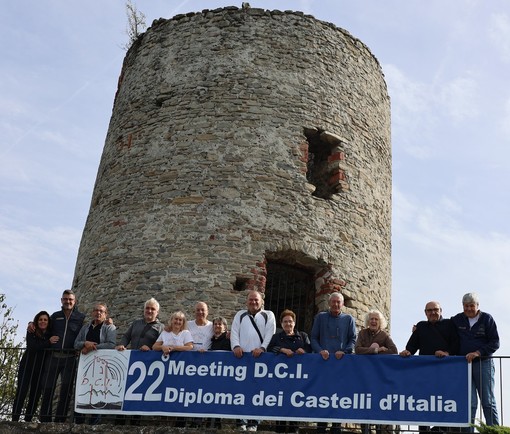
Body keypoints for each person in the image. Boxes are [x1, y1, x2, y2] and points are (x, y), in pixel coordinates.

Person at [399, 301, 459, 433]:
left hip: (445, 372)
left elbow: (456, 343)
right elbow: (412, 346)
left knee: (445, 403)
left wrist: (447, 353)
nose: (433, 312)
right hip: (425, 373)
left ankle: (440, 430)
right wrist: (407, 352)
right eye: (429, 310)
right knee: (424, 403)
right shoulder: (420, 326)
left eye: (435, 310)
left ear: (441, 310)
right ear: (425, 313)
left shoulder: (449, 324)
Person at [451, 293, 499, 429]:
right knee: (469, 403)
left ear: (477, 306)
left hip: (483, 363)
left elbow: (495, 342)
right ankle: (468, 431)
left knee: (488, 401)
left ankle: (494, 430)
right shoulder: (457, 320)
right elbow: (443, 328)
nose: (469, 309)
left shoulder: (487, 319)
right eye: (466, 306)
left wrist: (478, 353)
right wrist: (419, 328)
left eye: (472, 305)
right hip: (464, 365)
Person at [231, 290, 276, 432]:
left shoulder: (268, 315)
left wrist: (262, 348)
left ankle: (254, 422)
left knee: (258, 392)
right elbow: (234, 331)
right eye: (251, 300)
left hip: (261, 359)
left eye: (256, 300)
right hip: (243, 359)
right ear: (247, 301)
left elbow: (270, 333)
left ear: (261, 301)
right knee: (241, 391)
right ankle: (241, 422)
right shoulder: (240, 314)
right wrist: (236, 346)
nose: (253, 302)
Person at [311, 292, 356, 434]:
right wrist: (320, 351)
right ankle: (321, 427)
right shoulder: (320, 317)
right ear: (329, 303)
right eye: (334, 302)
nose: (336, 304)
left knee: (339, 396)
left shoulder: (348, 319)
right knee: (322, 396)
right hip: (323, 364)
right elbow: (313, 338)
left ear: (342, 304)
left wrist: (345, 351)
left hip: (340, 365)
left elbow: (352, 340)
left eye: (339, 302)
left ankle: (336, 427)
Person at [39, 289, 86, 423]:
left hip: (70, 357)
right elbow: (44, 328)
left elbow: (85, 333)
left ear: (74, 301)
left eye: (70, 299)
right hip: (53, 357)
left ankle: (60, 420)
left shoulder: (80, 317)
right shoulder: (55, 316)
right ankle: (45, 419)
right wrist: (32, 324)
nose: (68, 301)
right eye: (65, 299)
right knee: (48, 388)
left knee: (66, 390)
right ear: (61, 300)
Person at [268, 309, 310, 433]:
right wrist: (282, 349)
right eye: (285, 322)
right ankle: (279, 430)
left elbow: (310, 348)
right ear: (281, 323)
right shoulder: (276, 337)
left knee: (295, 402)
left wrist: (304, 351)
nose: (288, 324)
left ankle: (294, 429)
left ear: (294, 323)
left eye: (290, 321)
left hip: (298, 377)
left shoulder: (303, 336)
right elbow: (270, 349)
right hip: (281, 377)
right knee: (280, 402)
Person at [355, 310, 398, 434]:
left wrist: (381, 351)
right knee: (363, 402)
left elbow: (394, 350)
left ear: (380, 322)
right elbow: (357, 349)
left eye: (376, 319)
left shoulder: (384, 336)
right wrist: (376, 350)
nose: (373, 321)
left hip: (378, 376)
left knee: (378, 402)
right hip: (363, 375)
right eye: (371, 319)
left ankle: (379, 430)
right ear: (368, 321)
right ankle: (365, 431)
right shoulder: (362, 333)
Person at [74, 303, 116, 424]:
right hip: (85, 366)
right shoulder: (85, 328)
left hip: (101, 366)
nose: (98, 313)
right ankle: (79, 422)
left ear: (105, 314)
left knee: (99, 393)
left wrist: (92, 347)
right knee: (82, 391)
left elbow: (111, 344)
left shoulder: (109, 327)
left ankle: (94, 423)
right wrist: (85, 343)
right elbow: (76, 343)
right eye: (96, 310)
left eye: (101, 311)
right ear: (92, 313)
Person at [12, 311, 52, 422]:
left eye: (45, 320)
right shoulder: (32, 331)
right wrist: (48, 342)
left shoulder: (50, 333)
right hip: (27, 366)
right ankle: (14, 419)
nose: (43, 322)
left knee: (35, 395)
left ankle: (28, 419)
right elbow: (33, 346)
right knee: (21, 392)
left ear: (48, 322)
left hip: (40, 368)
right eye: (40, 319)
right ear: (36, 321)